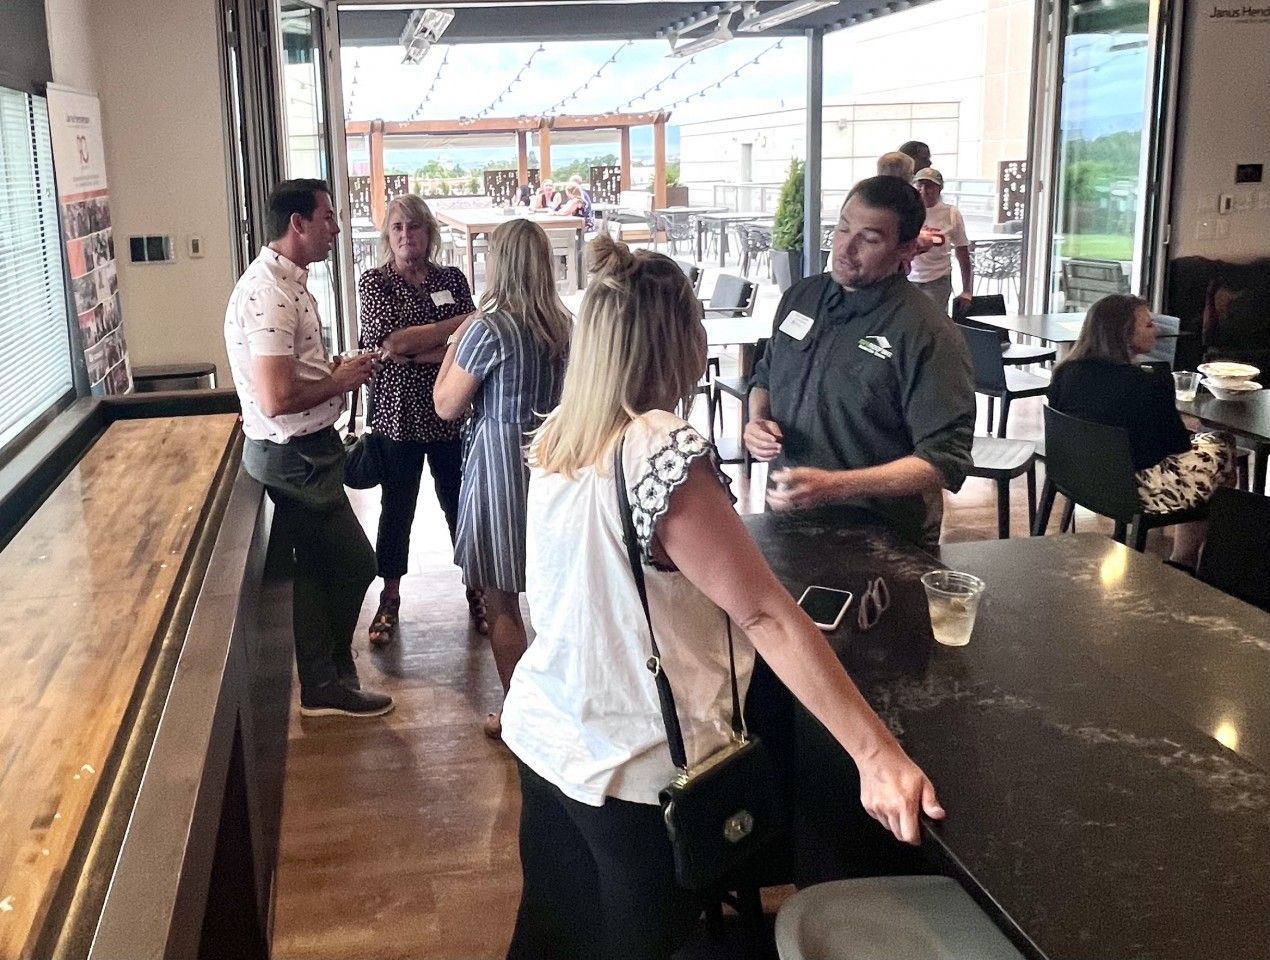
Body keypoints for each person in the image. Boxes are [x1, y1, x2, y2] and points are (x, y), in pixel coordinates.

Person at [500, 233, 943, 959]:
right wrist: (877, 753)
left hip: (551, 736)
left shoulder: (565, 438)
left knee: (554, 934)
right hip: (631, 763)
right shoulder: (658, 445)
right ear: (679, 340)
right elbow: (764, 611)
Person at [224, 178, 393, 717]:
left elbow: (287, 374)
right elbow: (276, 397)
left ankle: (328, 676)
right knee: (352, 563)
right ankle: (322, 682)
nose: (337, 229)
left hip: (305, 451)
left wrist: (334, 370)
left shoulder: (286, 283)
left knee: (321, 568)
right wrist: (340, 382)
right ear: (298, 223)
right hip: (294, 457)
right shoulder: (269, 292)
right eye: (327, 218)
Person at [744, 175, 976, 548]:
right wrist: (757, 421)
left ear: (906, 249)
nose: (845, 249)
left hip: (881, 537)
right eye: (842, 229)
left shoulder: (927, 332)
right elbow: (765, 377)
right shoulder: (801, 297)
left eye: (868, 239)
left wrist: (835, 486)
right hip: (788, 520)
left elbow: (942, 461)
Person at [433, 219, 571, 739]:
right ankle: (560, 703)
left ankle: (521, 714)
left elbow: (446, 405)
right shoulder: (566, 326)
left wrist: (454, 338)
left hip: (500, 467)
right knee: (554, 594)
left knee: (501, 597)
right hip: (554, 461)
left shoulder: (490, 330)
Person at [357, 194, 482, 643]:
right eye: (397, 228)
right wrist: (451, 329)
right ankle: (388, 599)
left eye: (414, 227)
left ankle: (477, 589)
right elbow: (389, 343)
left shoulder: (452, 277)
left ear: (429, 232)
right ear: (387, 236)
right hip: (397, 415)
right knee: (397, 508)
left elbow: (467, 344)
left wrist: (414, 349)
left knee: (460, 505)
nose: (406, 236)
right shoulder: (375, 283)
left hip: (448, 411)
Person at [1047, 294, 1235, 568]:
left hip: (1079, 477)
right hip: (1133, 490)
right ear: (1123, 334)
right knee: (1222, 446)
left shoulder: (1066, 372)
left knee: (1208, 447)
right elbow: (1178, 447)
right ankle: (1184, 559)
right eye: (1149, 325)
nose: (1157, 331)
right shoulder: (1147, 384)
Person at [908, 168, 973, 314]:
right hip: (909, 279)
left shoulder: (951, 213)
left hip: (937, 279)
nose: (924, 190)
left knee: (931, 323)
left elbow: (962, 251)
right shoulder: (907, 212)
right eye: (920, 185)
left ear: (939, 188)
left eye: (930, 186)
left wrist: (967, 290)